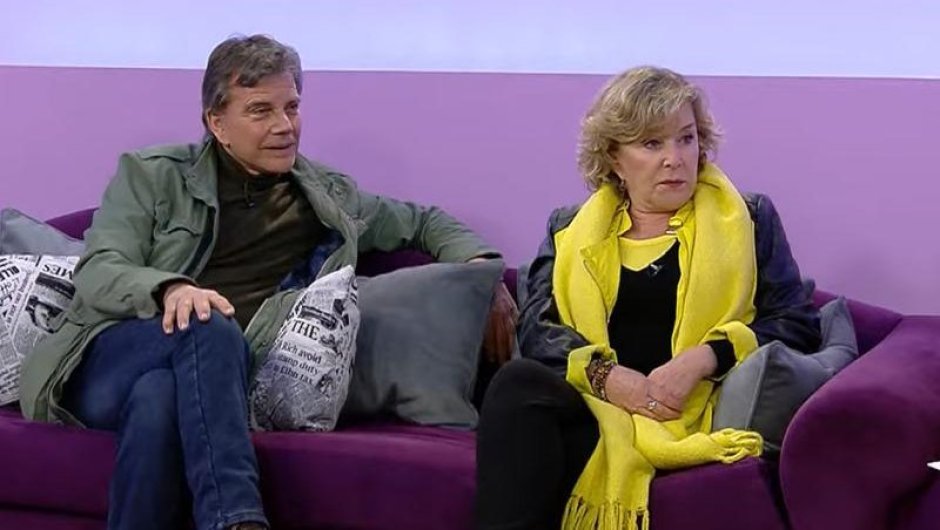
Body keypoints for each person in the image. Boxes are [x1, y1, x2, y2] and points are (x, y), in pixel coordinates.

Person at [19, 34, 517, 530]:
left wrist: (482, 271)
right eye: (260, 111)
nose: (284, 126)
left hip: (211, 378)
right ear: (217, 123)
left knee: (159, 401)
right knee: (207, 324)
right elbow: (100, 269)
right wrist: (171, 288)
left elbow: (424, 222)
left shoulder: (327, 198)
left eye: (291, 107)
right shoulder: (152, 176)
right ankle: (236, 519)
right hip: (110, 359)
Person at [475, 66, 821, 530]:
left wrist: (704, 358)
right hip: (597, 413)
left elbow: (797, 322)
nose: (675, 159)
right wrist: (609, 379)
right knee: (517, 384)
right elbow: (539, 331)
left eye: (686, 138)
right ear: (614, 158)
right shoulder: (568, 228)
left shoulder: (748, 218)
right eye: (652, 144)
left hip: (689, 413)